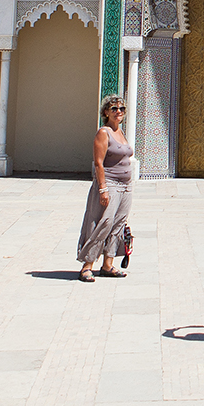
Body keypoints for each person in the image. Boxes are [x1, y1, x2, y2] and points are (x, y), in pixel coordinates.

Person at [76, 96, 135, 282]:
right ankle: (87, 265)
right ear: (106, 112)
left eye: (122, 108)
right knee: (104, 222)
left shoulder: (121, 132)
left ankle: (108, 264)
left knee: (118, 223)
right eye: (114, 108)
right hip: (110, 183)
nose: (119, 111)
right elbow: (99, 163)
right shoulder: (104, 132)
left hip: (126, 185)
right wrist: (103, 189)